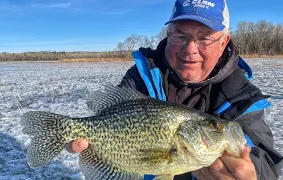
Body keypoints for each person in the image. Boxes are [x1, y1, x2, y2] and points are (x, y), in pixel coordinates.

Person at [66, 0, 283, 179]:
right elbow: (113, 114)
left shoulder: (242, 96)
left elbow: (266, 162)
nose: (190, 49)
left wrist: (252, 174)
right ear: (168, 35)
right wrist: (79, 135)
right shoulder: (142, 76)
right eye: (180, 35)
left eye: (204, 38)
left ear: (224, 42)